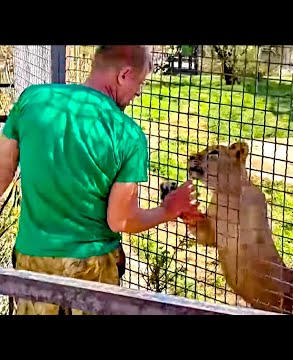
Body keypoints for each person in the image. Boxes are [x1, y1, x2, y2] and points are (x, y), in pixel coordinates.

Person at [0, 45, 203, 315]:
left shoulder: (32, 101)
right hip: (93, 269)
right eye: (139, 83)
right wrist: (169, 209)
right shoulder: (127, 134)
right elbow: (121, 220)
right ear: (124, 75)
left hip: (32, 260)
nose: (138, 92)